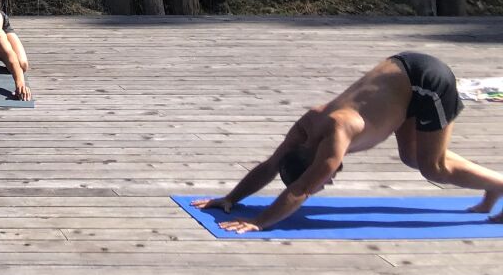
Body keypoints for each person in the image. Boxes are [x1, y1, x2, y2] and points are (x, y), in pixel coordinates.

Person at [193, 52, 503, 231]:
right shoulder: (307, 129)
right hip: (402, 81)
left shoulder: (335, 134)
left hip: (426, 83)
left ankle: (500, 185)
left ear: (316, 162)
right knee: (413, 157)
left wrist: (259, 221)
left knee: (434, 167)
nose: (327, 181)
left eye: (325, 178)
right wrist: (231, 198)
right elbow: (270, 166)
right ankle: (492, 186)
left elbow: (300, 188)